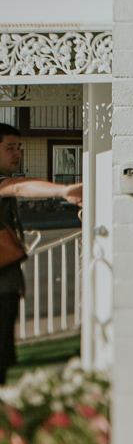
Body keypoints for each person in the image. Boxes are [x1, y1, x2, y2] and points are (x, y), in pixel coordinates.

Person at [0, 122, 84, 386]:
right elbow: (19, 187)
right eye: (9, 148)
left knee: (5, 343)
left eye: (19, 148)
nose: (17, 154)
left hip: (7, 275)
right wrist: (62, 190)